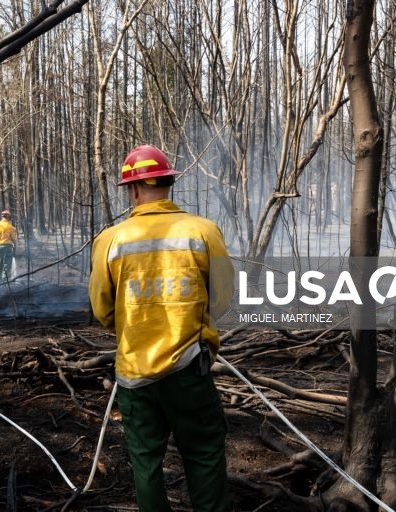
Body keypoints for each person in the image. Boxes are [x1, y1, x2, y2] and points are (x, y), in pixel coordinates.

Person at [89, 144, 235, 512]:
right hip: (190, 368)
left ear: (133, 189)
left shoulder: (110, 240)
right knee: (203, 456)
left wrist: (135, 332)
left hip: (135, 375)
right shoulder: (202, 231)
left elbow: (103, 310)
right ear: (169, 183)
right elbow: (222, 299)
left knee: (145, 463)